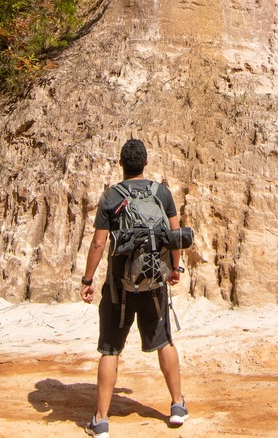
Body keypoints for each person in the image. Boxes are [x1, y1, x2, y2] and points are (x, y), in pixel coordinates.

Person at [79, 139, 189, 437]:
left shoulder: (111, 196)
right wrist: (175, 269)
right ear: (145, 163)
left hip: (118, 285)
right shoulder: (160, 192)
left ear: (121, 163)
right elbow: (175, 234)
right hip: (154, 281)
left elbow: (99, 243)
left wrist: (87, 281)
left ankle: (101, 420)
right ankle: (177, 406)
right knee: (164, 341)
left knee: (110, 348)